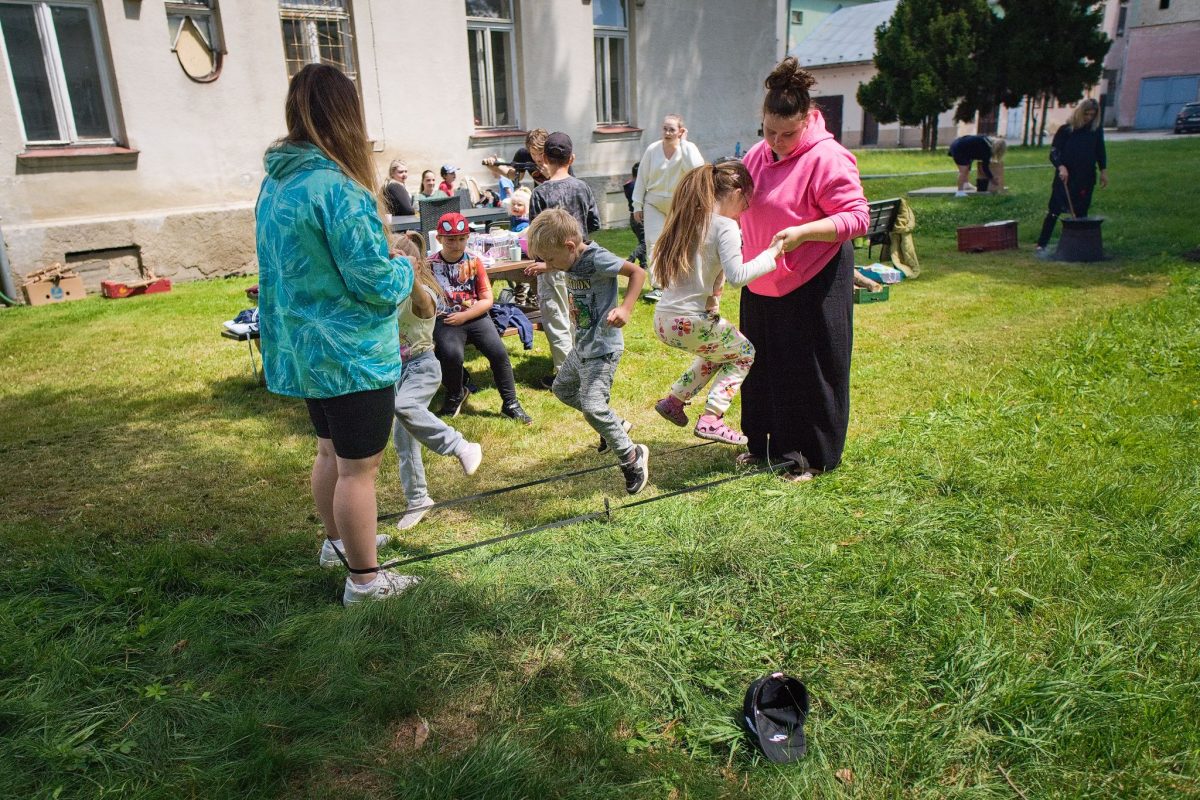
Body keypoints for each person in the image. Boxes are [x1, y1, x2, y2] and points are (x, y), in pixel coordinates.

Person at [254, 63, 419, 604]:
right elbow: (374, 282)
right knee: (358, 470)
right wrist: (405, 267)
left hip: (305, 348)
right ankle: (365, 581)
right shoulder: (339, 188)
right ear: (346, 115)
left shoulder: (277, 183)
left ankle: (339, 545)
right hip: (350, 353)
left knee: (329, 452)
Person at [737, 57, 869, 482]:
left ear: (808, 119)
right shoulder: (757, 155)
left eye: (787, 134)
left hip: (814, 277)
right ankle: (764, 446)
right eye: (769, 131)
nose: (777, 142)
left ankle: (811, 456)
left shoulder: (829, 158)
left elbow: (857, 218)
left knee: (807, 369)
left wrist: (804, 232)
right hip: (760, 276)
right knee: (759, 365)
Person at [651, 161, 784, 446]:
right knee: (744, 353)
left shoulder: (689, 219)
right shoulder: (725, 226)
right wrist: (771, 254)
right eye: (746, 203)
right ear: (736, 192)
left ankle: (674, 401)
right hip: (691, 320)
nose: (745, 211)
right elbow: (738, 276)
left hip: (664, 320)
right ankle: (712, 418)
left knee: (718, 351)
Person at [524, 208, 650, 494]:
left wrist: (626, 308)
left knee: (593, 407)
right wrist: (547, 267)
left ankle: (632, 456)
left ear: (570, 246)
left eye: (551, 258)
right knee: (562, 389)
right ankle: (613, 425)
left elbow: (637, 272)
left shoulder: (597, 258)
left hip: (603, 347)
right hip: (582, 344)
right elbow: (563, 264)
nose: (549, 263)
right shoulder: (569, 259)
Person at [389, 233, 484, 531]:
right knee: (404, 441)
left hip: (422, 367)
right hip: (395, 372)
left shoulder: (425, 293)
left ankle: (461, 446)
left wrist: (408, 275)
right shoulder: (389, 296)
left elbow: (423, 304)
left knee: (404, 407)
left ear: (416, 267)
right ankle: (418, 499)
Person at [429, 211, 533, 424]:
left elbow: (487, 299)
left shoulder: (475, 262)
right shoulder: (429, 265)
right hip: (446, 319)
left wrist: (465, 315)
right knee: (450, 354)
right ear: (439, 239)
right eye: (450, 240)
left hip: (475, 315)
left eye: (461, 239)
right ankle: (455, 394)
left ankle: (510, 403)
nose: (456, 244)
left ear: (468, 238)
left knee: (498, 353)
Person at [529, 132, 601, 389]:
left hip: (552, 266)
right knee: (580, 319)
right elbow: (594, 223)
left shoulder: (540, 193)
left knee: (557, 319)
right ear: (572, 158)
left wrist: (542, 261)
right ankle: (585, 368)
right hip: (581, 263)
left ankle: (565, 376)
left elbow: (535, 236)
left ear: (544, 158)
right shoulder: (583, 187)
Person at [631, 114, 705, 300]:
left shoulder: (688, 148)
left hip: (679, 204)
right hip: (653, 203)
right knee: (653, 243)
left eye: (672, 129)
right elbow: (642, 178)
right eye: (665, 128)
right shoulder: (652, 150)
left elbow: (696, 171)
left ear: (680, 131)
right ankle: (658, 286)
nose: (668, 133)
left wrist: (684, 143)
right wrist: (637, 205)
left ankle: (681, 284)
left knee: (680, 243)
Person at [1036, 98, 1108, 257]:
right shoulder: (1066, 130)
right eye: (1086, 114)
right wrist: (1061, 166)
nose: (1089, 117)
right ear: (1080, 113)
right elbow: (1054, 152)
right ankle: (1042, 244)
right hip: (1066, 177)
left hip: (1086, 177)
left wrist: (1103, 170)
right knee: (1054, 210)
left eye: (1092, 115)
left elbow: (1100, 151)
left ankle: (1079, 246)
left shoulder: (1096, 131)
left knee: (1082, 211)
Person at [623, 162, 647, 267]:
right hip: (639, 216)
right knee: (645, 242)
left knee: (641, 241)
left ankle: (643, 264)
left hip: (633, 217)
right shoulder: (636, 186)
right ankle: (630, 259)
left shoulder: (629, 184)